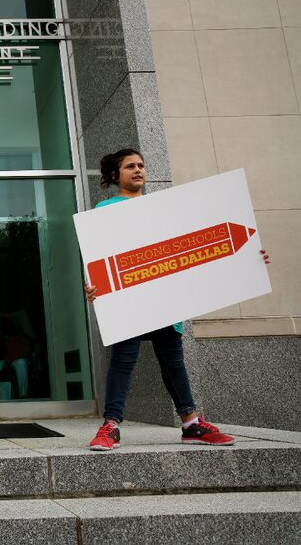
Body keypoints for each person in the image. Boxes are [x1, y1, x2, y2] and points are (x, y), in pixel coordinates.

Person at [85, 148, 270, 451]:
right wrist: (93, 286)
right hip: (130, 302)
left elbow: (200, 249)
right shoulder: (105, 208)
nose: (138, 170)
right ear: (115, 175)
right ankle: (111, 426)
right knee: (123, 360)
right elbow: (102, 258)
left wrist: (248, 256)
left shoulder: (167, 208)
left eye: (142, 165)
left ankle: (191, 424)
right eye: (130, 166)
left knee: (173, 362)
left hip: (167, 302)